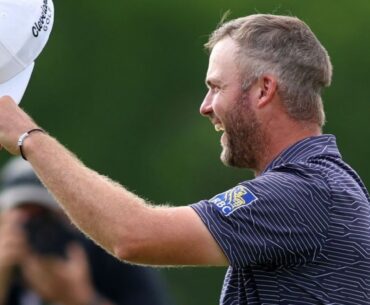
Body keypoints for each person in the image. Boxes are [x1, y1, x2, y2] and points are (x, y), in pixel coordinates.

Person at [0, 10, 369, 305]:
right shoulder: (321, 186)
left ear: (264, 90)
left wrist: (27, 137)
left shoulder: (306, 191)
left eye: (215, 87)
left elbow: (133, 236)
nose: (205, 107)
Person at [0, 157, 173, 305]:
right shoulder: (8, 268)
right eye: (25, 218)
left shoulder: (113, 254)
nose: (37, 228)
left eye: (45, 217)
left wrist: (82, 299)